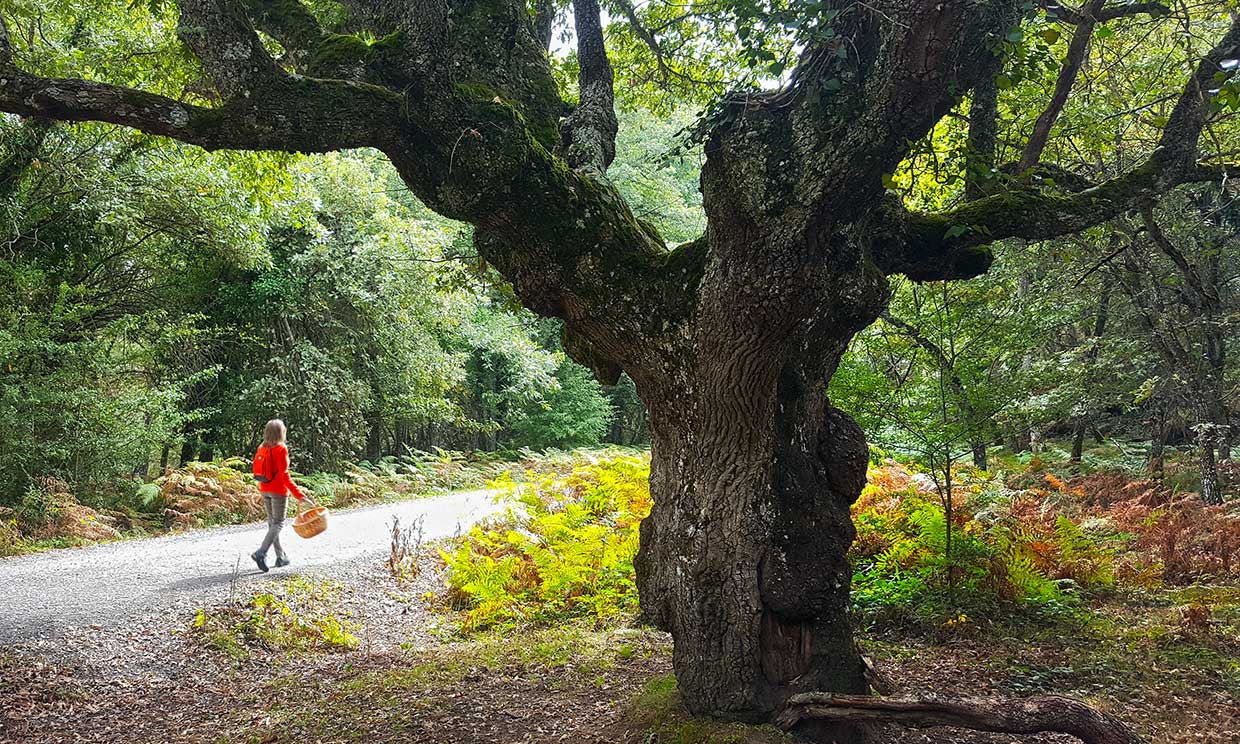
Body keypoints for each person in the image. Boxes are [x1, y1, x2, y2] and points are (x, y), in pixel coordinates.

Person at [251, 419, 312, 572]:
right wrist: (299, 495)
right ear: (281, 432)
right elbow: (285, 476)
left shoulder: (262, 448)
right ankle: (261, 552)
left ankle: (281, 557)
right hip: (278, 491)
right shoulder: (281, 449)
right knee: (278, 523)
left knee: (273, 524)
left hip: (264, 488)